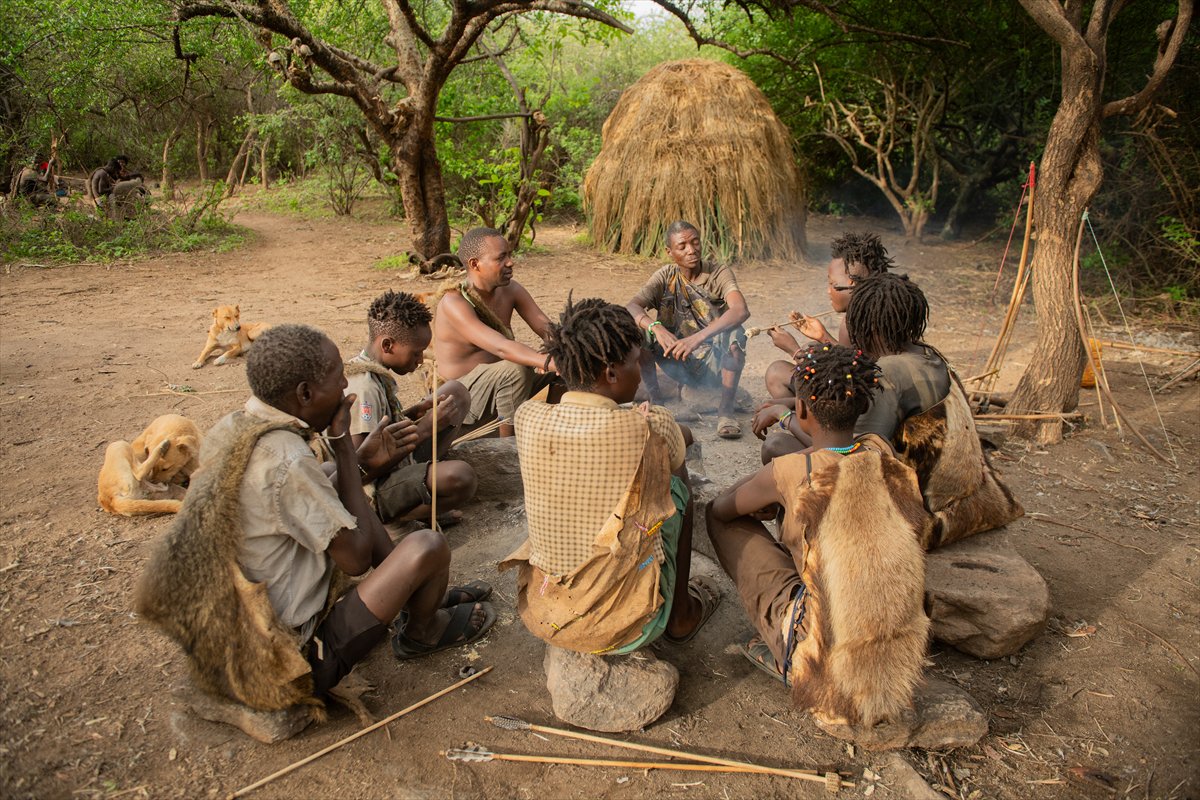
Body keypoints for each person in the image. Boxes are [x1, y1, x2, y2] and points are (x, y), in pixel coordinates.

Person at [136, 324, 495, 712]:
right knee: (427, 545)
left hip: (237, 635)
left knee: (334, 481)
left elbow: (322, 489)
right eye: (337, 378)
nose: (345, 384)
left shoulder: (235, 427)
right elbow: (356, 557)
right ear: (305, 394)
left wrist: (361, 464)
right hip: (290, 658)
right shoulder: (286, 459)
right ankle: (423, 631)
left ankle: (421, 599)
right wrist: (344, 450)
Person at [707, 344, 930, 727]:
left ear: (803, 410)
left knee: (717, 519)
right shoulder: (880, 448)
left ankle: (784, 653)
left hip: (824, 658)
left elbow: (724, 507)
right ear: (862, 408)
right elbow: (835, 450)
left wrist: (773, 492)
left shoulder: (795, 469)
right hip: (897, 651)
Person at [500, 297, 720, 656]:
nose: (642, 369)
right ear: (611, 374)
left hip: (546, 609)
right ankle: (679, 613)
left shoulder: (526, 415)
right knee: (677, 491)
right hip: (628, 625)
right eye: (636, 361)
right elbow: (673, 443)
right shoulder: (652, 424)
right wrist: (654, 425)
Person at [345, 290, 477, 526]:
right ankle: (401, 517)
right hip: (374, 490)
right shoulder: (364, 387)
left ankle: (421, 484)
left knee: (455, 393)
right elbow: (359, 472)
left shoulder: (377, 374)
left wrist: (412, 414)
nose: (419, 361)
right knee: (461, 477)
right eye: (416, 353)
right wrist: (426, 428)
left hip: (398, 462)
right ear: (388, 345)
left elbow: (382, 431)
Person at [626, 220, 750, 439]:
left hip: (713, 362)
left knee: (735, 334)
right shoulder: (666, 276)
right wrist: (657, 328)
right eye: (682, 246)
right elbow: (632, 306)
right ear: (669, 251)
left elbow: (740, 310)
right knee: (640, 330)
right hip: (675, 358)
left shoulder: (718, 273)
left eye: (695, 243)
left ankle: (725, 411)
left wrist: (697, 338)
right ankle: (657, 402)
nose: (691, 250)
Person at [433, 227, 560, 437]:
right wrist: (548, 362)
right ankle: (506, 447)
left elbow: (548, 330)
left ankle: (558, 429)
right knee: (516, 367)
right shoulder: (454, 302)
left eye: (509, 255)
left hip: (504, 387)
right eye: (501, 257)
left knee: (571, 366)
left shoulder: (510, 290)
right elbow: (501, 347)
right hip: (462, 399)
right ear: (475, 264)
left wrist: (569, 353)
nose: (510, 262)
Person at [763, 232, 894, 403]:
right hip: (880, 393)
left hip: (862, 404)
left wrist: (793, 350)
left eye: (832, 284)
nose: (828, 290)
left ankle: (809, 426)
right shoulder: (883, 306)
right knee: (814, 347)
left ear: (851, 284)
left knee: (776, 372)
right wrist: (822, 336)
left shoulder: (852, 323)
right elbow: (855, 357)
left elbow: (848, 378)